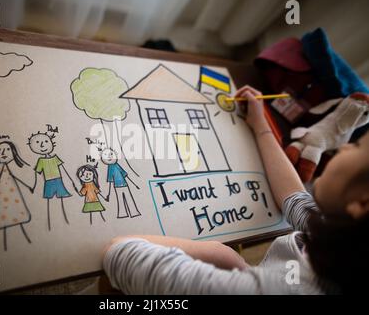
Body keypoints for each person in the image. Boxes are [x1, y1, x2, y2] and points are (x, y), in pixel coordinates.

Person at [102, 85, 369, 294]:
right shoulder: (340, 235)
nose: (345, 147)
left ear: (363, 202)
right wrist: (260, 124)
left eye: (357, 148)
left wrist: (219, 254)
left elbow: (120, 252)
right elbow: (292, 195)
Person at [28, 131, 78, 231]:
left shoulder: (55, 158)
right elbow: (37, 174)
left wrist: (71, 180)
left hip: (59, 181)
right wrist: (33, 186)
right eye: (37, 142)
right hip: (48, 182)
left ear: (51, 143)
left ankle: (65, 221)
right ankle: (50, 223)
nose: (42, 145)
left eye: (46, 141)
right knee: (49, 202)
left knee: (61, 200)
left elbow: (63, 169)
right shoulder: (41, 161)